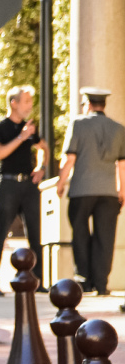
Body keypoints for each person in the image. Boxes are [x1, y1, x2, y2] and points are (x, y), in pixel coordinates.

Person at [56, 87, 125, 295]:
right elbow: (122, 165)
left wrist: (60, 182)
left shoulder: (78, 124)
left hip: (81, 190)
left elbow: (70, 158)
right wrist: (122, 190)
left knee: (80, 234)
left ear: (86, 104)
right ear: (103, 105)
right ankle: (102, 284)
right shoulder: (119, 128)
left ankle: (84, 281)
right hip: (108, 192)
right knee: (105, 237)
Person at [0, 86, 48, 296]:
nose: (30, 106)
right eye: (26, 101)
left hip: (29, 185)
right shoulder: (1, 127)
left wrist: (41, 167)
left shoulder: (29, 128)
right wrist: (21, 138)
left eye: (30, 101)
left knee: (35, 232)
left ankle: (37, 280)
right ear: (14, 102)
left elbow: (44, 147)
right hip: (8, 184)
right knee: (0, 231)